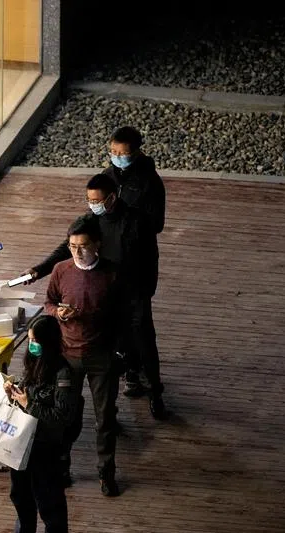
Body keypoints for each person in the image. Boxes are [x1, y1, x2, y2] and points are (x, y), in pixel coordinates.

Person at [42, 214, 124, 497]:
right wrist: (58, 312)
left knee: (105, 418)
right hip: (68, 356)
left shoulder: (113, 274)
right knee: (66, 415)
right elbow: (49, 302)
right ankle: (63, 466)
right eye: (73, 246)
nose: (77, 251)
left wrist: (120, 351)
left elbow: (124, 315)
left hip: (102, 357)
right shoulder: (61, 270)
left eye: (83, 246)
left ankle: (106, 472)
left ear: (97, 245)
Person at [0, 314, 83, 533]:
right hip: (23, 441)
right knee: (20, 493)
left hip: (47, 445)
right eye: (30, 341)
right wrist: (14, 393)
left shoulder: (63, 373)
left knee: (49, 497)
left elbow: (61, 417)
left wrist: (29, 404)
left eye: (35, 341)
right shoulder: (34, 363)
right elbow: (26, 390)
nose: (31, 346)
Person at [103, 127, 168, 417]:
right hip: (110, 269)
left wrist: (123, 217)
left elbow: (156, 224)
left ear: (137, 152)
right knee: (116, 329)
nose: (117, 158)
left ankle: (155, 390)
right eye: (113, 152)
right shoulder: (106, 179)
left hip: (139, 270)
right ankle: (130, 369)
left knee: (143, 329)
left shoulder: (151, 183)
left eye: (123, 154)